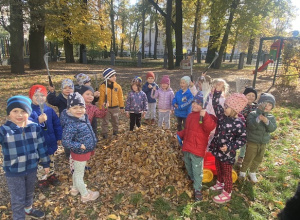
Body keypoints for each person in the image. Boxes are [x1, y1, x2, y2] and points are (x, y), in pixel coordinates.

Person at [0, 95, 50, 219]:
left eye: (23, 111)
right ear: (9, 113)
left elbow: (41, 146)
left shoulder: (34, 127)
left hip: (32, 167)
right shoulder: (4, 130)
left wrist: (46, 163)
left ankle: (28, 209)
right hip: (14, 170)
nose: (19, 115)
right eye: (15, 111)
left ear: (28, 112)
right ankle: (19, 217)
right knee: (18, 197)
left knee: (29, 192)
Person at [209, 81, 248, 204]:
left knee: (227, 172)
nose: (224, 108)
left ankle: (227, 192)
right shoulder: (222, 116)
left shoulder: (239, 123)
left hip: (228, 153)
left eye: (227, 107)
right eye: (225, 106)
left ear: (235, 109)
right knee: (218, 167)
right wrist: (218, 91)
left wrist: (230, 147)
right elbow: (215, 104)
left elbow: (242, 139)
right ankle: (220, 183)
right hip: (217, 149)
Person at [177, 92, 216, 201]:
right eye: (194, 102)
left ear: (203, 106)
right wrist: (179, 134)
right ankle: (191, 177)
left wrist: (205, 116)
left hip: (197, 149)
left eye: (199, 104)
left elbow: (210, 127)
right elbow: (187, 130)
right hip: (187, 146)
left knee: (197, 169)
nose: (195, 105)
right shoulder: (190, 116)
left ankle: (197, 189)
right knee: (188, 164)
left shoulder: (206, 116)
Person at [60, 92, 99, 203]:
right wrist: (79, 145)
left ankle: (75, 188)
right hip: (80, 152)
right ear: (69, 109)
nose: (79, 110)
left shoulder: (82, 117)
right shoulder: (71, 123)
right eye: (75, 107)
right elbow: (66, 142)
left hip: (84, 150)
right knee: (79, 174)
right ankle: (85, 194)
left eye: (81, 107)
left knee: (76, 171)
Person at [29, 85, 62, 190]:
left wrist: (58, 137)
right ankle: (42, 179)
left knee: (51, 159)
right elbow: (26, 127)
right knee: (41, 163)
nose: (39, 97)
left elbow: (56, 124)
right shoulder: (29, 112)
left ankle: (51, 174)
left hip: (50, 140)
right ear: (31, 97)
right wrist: (37, 121)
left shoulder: (49, 110)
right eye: (36, 95)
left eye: (42, 95)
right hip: (38, 144)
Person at [239, 93, 277, 183]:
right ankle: (243, 172)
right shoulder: (253, 114)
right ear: (260, 104)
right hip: (252, 141)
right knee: (248, 157)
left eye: (270, 105)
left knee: (258, 158)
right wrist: (258, 119)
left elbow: (272, 129)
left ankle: (252, 172)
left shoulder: (271, 117)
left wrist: (267, 121)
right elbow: (250, 126)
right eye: (265, 104)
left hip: (263, 142)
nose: (267, 106)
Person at [47, 78, 74, 158]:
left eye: (70, 88)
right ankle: (68, 153)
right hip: (64, 123)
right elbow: (52, 101)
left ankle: (75, 151)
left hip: (75, 121)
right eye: (65, 88)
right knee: (66, 137)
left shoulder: (76, 97)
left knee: (75, 136)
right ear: (62, 89)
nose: (67, 90)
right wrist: (52, 93)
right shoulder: (60, 98)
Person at [98, 68, 124, 139]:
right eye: (112, 76)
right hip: (106, 107)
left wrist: (121, 107)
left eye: (115, 76)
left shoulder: (117, 86)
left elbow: (120, 97)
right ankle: (104, 133)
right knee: (105, 121)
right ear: (108, 77)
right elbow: (101, 99)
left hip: (115, 107)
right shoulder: (103, 87)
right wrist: (101, 108)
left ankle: (115, 131)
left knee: (115, 120)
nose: (114, 77)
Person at [236, 87, 258, 167]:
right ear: (244, 95)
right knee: (237, 142)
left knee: (245, 144)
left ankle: (241, 158)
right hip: (240, 128)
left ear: (255, 97)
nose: (251, 97)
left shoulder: (256, 107)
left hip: (250, 129)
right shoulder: (241, 105)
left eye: (253, 95)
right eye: (248, 95)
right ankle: (232, 154)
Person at [75, 73, 101, 139]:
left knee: (93, 126)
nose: (90, 83)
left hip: (92, 112)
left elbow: (93, 101)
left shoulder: (89, 89)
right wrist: (92, 95)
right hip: (83, 113)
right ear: (83, 83)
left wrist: (96, 97)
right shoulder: (78, 90)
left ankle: (94, 139)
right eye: (88, 82)